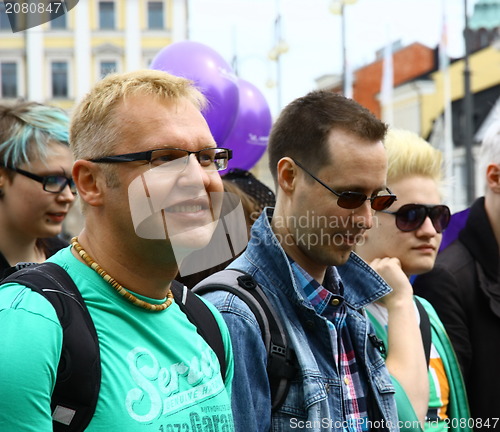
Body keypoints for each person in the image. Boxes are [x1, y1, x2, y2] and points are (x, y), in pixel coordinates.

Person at [0, 70, 235, 431]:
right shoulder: (29, 324)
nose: (198, 178)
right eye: (164, 158)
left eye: (206, 158)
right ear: (91, 183)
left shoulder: (206, 321)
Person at [200, 90, 400, 431]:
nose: (367, 219)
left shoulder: (352, 305)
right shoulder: (236, 316)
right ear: (289, 176)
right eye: (350, 197)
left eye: (378, 199)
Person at [356, 129, 470, 431]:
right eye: (412, 215)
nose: (430, 230)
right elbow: (401, 422)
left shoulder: (425, 311)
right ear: (366, 216)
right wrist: (401, 301)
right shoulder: (340, 316)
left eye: (439, 215)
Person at [413, 118, 500, 425]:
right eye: (410, 216)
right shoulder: (446, 277)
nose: (426, 230)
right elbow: (447, 414)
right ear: (495, 177)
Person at [0, 101, 75, 277]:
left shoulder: (69, 261)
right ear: (2, 176)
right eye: (52, 180)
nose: (68, 196)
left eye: (72, 182)